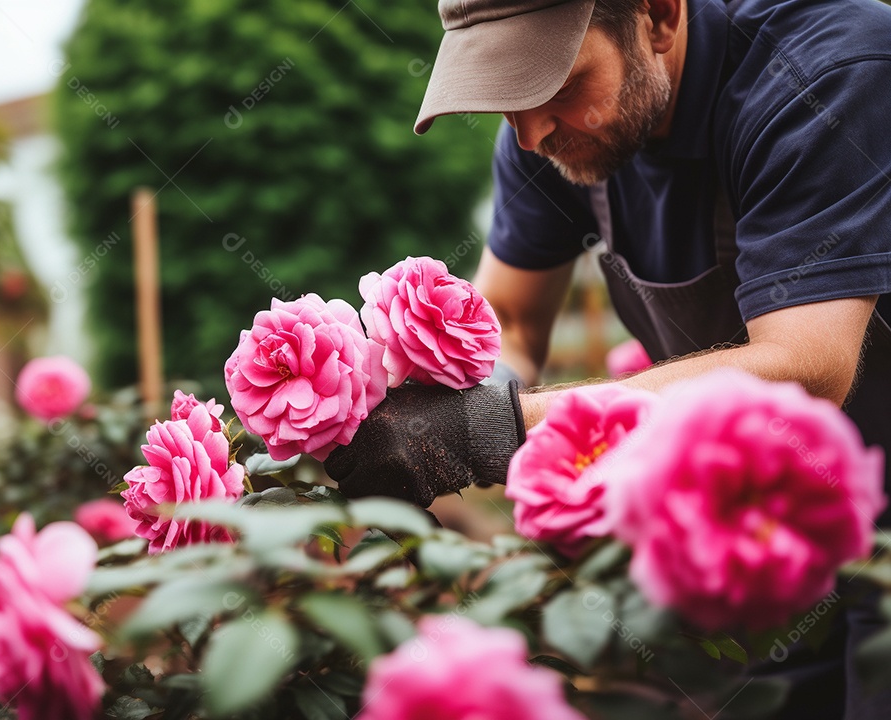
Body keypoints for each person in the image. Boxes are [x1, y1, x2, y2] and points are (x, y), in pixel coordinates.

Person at [323, 0, 891, 717]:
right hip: (763, 535)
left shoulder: (825, 71)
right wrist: (449, 405)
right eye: (507, 102)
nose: (529, 136)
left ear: (656, 16)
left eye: (556, 85)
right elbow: (515, 316)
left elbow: (807, 369)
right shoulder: (549, 133)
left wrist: (493, 428)